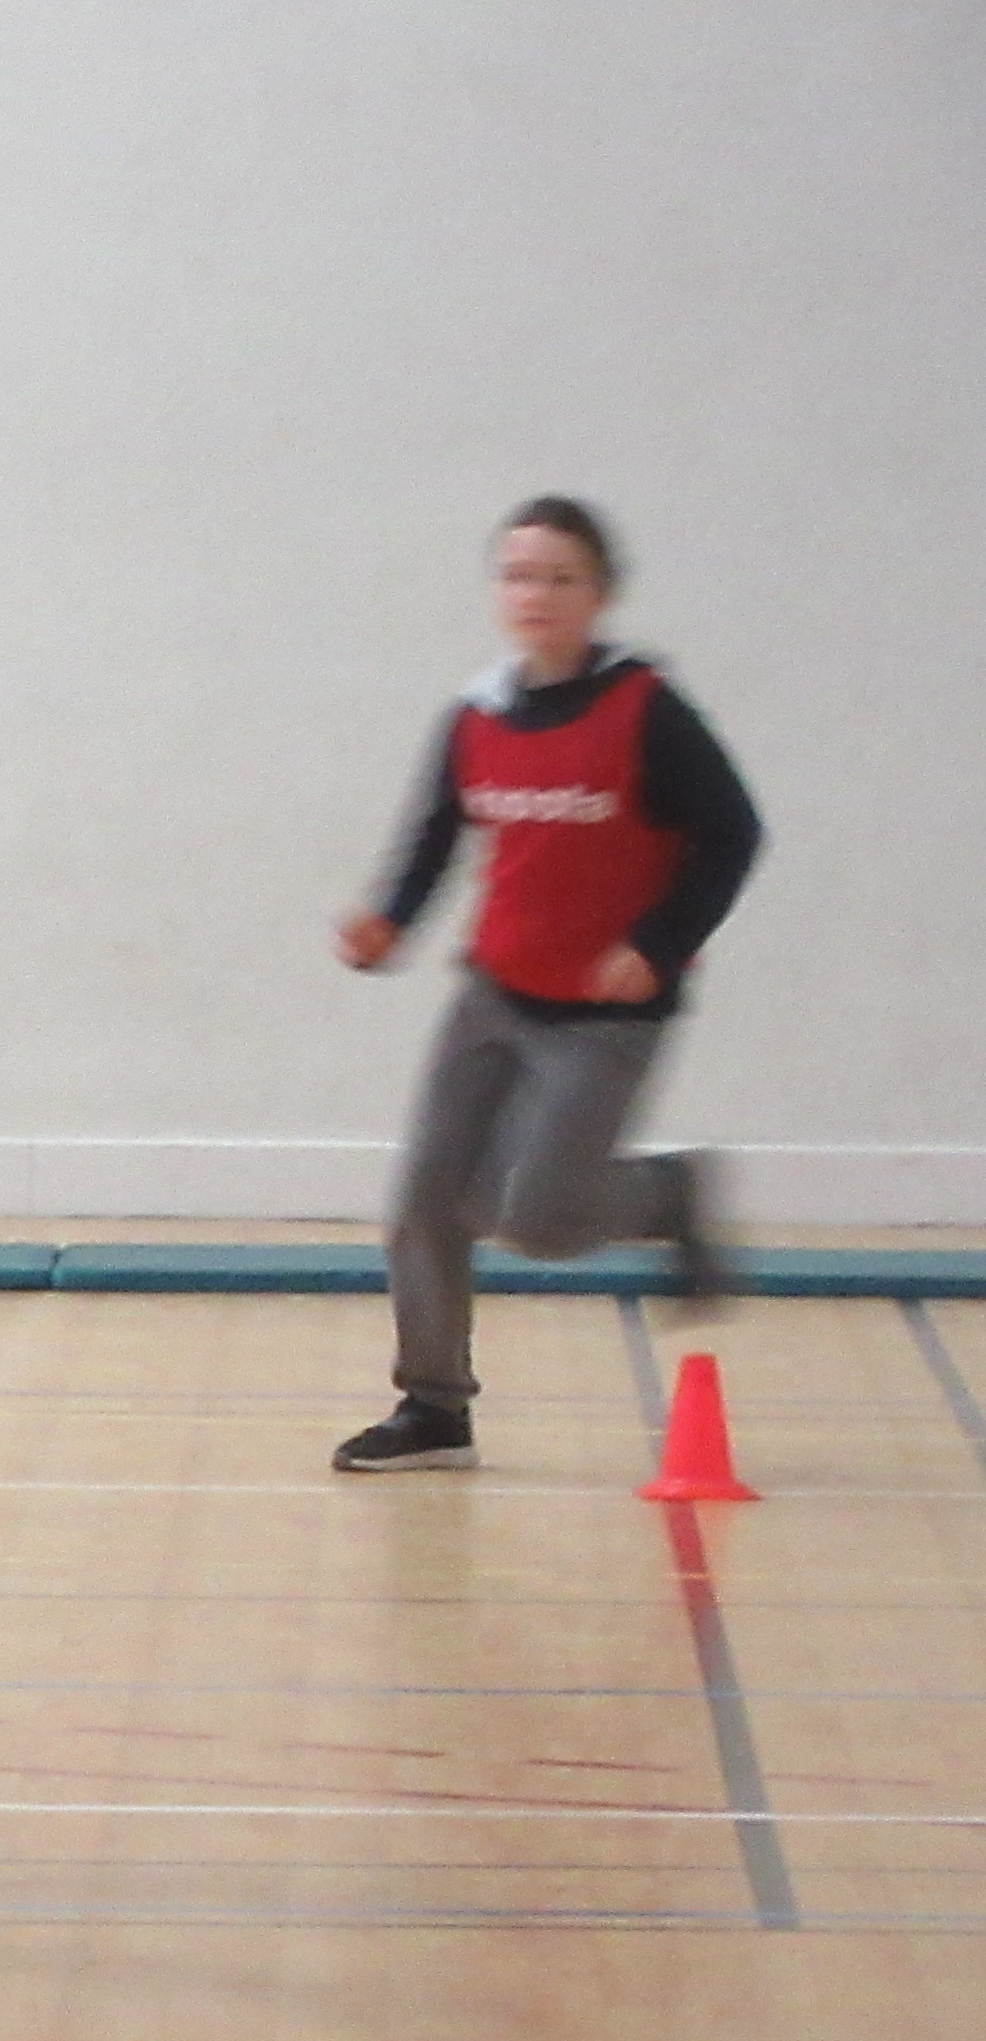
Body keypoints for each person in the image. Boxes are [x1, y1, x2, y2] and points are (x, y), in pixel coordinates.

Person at [326, 499, 765, 1472]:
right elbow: (436, 836)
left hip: (608, 1012)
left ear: (599, 595)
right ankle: (433, 1408)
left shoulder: (647, 710)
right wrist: (390, 920)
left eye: (562, 577)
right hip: (493, 995)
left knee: (536, 1218)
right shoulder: (477, 715)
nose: (538, 594)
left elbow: (734, 834)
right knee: (425, 1201)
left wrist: (659, 941)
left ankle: (669, 1195)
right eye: (520, 575)